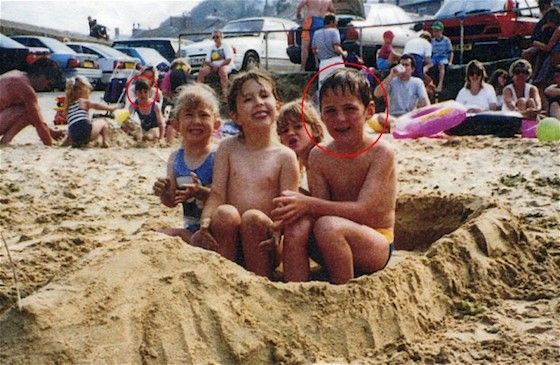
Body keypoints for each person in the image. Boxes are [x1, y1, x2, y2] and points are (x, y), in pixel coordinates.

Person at [272, 68, 397, 285]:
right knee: (299, 224)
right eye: (330, 111)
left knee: (328, 226)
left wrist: (309, 203)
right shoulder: (319, 155)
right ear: (321, 116)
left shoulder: (381, 153)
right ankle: (295, 292)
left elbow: (365, 212)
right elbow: (320, 211)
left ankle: (343, 293)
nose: (340, 119)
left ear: (368, 111)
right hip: (331, 240)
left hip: (376, 243)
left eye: (349, 109)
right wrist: (285, 220)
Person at [190, 69, 301, 281]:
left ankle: (258, 284)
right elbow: (217, 194)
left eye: (264, 95)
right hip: (227, 237)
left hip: (264, 241)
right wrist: (205, 220)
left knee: (253, 218)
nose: (258, 102)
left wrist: (278, 230)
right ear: (235, 117)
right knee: (225, 213)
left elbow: (286, 209)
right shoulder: (228, 148)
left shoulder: (285, 157)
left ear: (277, 106)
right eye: (248, 99)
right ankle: (225, 280)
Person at [153, 84, 221, 243]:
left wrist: (201, 192)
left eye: (204, 115)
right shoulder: (175, 159)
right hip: (191, 229)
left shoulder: (218, 156)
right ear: (176, 125)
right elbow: (171, 201)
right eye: (189, 115)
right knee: (155, 235)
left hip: (217, 228)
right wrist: (163, 192)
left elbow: (225, 197)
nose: (196, 121)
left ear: (216, 124)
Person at [0, 58, 65, 145]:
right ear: (41, 76)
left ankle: (5, 140)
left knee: (27, 110)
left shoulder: (17, 75)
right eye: (48, 82)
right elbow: (38, 122)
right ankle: (6, 141)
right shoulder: (26, 89)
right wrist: (49, 144)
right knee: (28, 112)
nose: (47, 87)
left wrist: (52, 133)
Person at [276, 100, 324, 191]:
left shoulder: (325, 159)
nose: (290, 133)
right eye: (284, 130)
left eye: (298, 126)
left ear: (316, 130)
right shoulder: (297, 169)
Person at [372, 54, 430, 129]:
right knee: (381, 117)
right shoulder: (392, 80)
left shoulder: (417, 82)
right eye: (402, 65)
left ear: (412, 69)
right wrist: (391, 75)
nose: (404, 67)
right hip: (392, 116)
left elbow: (425, 101)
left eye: (406, 65)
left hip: (409, 116)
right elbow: (376, 94)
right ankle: (401, 126)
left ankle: (400, 126)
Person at [63, 76, 113, 148]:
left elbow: (72, 124)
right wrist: (111, 109)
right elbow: (96, 106)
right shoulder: (82, 101)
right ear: (82, 90)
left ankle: (70, 143)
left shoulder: (69, 107)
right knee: (103, 123)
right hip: (86, 133)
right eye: (88, 90)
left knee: (74, 125)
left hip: (74, 137)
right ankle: (106, 142)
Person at [296, 0, 336, 71]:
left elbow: (300, 6)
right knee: (318, 44)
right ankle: (318, 65)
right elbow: (333, 11)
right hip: (321, 21)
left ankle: (302, 68)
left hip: (310, 21)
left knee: (305, 46)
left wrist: (298, 15)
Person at [311, 13, 347, 89]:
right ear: (331, 22)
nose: (336, 24)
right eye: (335, 22)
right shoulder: (334, 31)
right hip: (336, 61)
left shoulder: (316, 33)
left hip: (323, 63)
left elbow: (314, 50)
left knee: (323, 87)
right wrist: (344, 53)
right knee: (341, 85)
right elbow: (336, 48)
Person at [196, 30, 235, 100]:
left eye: (217, 37)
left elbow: (228, 60)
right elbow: (207, 60)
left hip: (225, 65)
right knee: (202, 71)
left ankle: (225, 94)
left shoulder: (226, 46)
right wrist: (212, 66)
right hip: (213, 66)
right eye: (214, 37)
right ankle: (198, 91)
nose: (216, 39)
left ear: (221, 37)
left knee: (222, 71)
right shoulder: (211, 47)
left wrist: (219, 66)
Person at [428, 21, 453, 92]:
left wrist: (450, 61)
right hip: (434, 57)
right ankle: (429, 83)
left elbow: (450, 52)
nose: (435, 33)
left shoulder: (446, 40)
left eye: (437, 31)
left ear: (441, 31)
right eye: (434, 31)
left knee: (441, 66)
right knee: (428, 66)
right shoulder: (432, 41)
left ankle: (440, 84)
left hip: (443, 57)